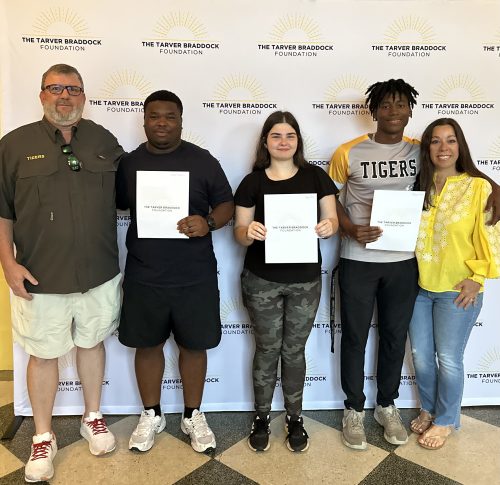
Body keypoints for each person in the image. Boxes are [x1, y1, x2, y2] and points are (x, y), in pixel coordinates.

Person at [0, 64, 123, 482]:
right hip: (40, 275)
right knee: (43, 353)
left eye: (72, 89)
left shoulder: (106, 142)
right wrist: (8, 263)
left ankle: (93, 417)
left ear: (84, 97)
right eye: (55, 88)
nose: (64, 96)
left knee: (91, 344)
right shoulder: (13, 145)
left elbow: (135, 196)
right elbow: (3, 213)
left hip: (99, 271)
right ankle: (42, 435)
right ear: (41, 95)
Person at [116, 90, 234, 454]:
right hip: (144, 274)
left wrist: (209, 221)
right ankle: (151, 414)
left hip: (194, 275)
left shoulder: (203, 161)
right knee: (147, 345)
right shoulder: (129, 163)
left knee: (194, 346)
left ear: (182, 121)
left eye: (170, 116)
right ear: (145, 121)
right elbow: (119, 206)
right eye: (154, 116)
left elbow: (227, 204)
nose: (162, 122)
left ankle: (192, 414)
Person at [234, 111, 338, 452]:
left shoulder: (316, 178)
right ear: (265, 141)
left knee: (293, 351)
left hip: (305, 282)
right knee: (266, 349)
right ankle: (261, 416)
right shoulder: (252, 182)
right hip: (261, 280)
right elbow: (239, 232)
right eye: (276, 135)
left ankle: (295, 417)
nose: (283, 141)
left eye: (289, 135)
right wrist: (248, 232)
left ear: (298, 141)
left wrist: (328, 227)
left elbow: (332, 220)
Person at [328, 79, 421, 450]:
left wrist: (490, 185)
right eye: (386, 106)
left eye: (401, 105)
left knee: (395, 336)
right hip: (358, 260)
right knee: (354, 335)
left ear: (410, 110)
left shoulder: (419, 151)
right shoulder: (348, 152)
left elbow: (458, 168)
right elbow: (328, 197)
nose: (394, 112)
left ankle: (387, 405)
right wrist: (348, 228)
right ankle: (353, 409)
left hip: (403, 261)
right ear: (374, 110)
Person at [408, 118, 500, 450]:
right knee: (420, 356)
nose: (443, 148)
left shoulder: (478, 187)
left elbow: (491, 236)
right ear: (427, 148)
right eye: (435, 141)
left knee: (448, 357)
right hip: (419, 287)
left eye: (450, 141)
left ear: (460, 146)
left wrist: (477, 279)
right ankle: (429, 407)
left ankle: (447, 420)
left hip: (458, 289)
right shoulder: (417, 187)